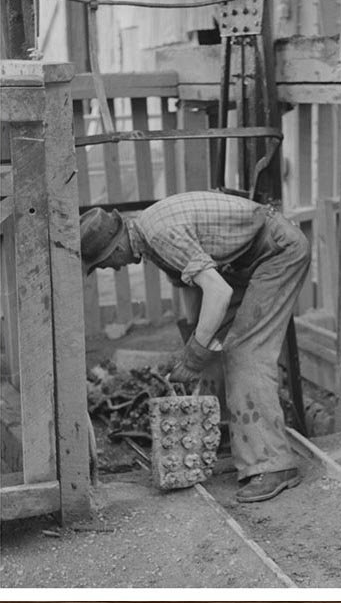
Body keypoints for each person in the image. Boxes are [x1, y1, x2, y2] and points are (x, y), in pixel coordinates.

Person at [80, 191, 311, 503]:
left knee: (244, 351)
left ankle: (274, 465)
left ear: (115, 246)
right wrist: (197, 341)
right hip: (246, 261)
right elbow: (194, 292)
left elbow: (217, 292)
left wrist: (194, 354)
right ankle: (230, 436)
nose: (112, 269)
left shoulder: (160, 234)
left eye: (105, 263)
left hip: (276, 252)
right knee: (216, 342)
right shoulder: (150, 239)